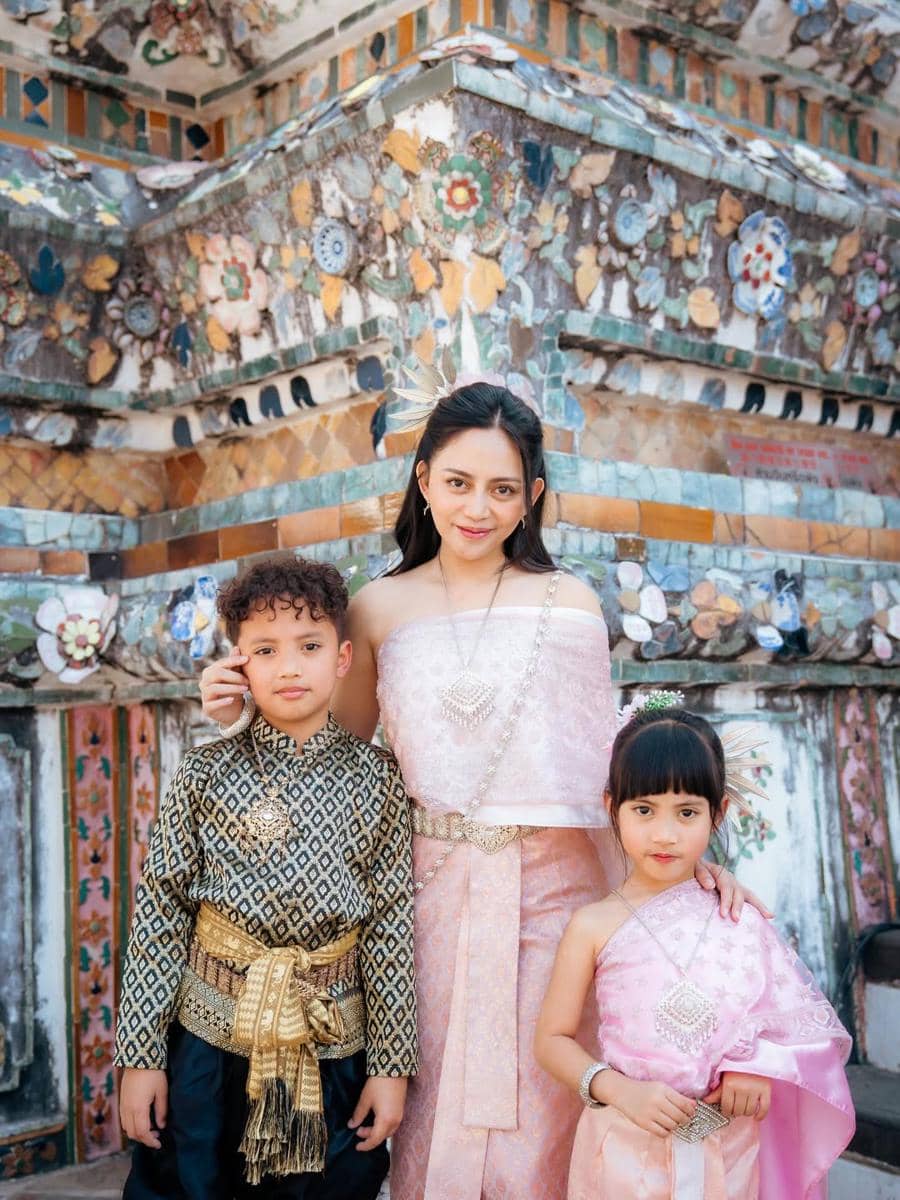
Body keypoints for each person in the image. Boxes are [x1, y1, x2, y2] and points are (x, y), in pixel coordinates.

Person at [201, 378, 766, 1200]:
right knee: (434, 1116)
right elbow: (335, 760)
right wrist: (238, 710)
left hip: (559, 899)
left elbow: (605, 773)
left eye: (503, 489)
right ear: (423, 479)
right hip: (429, 902)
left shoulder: (569, 602)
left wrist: (682, 870)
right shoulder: (377, 608)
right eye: (458, 483)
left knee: (547, 1117)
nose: (478, 507)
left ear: (531, 496)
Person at [116, 556, 418, 1200]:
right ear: (237, 664)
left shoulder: (378, 778)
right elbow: (159, 916)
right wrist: (140, 1055)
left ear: (341, 658)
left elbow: (392, 927)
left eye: (309, 646)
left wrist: (391, 1067)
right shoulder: (204, 772)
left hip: (331, 1042)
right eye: (265, 649)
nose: (288, 667)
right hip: (208, 1045)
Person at [534, 701, 854, 1200]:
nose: (665, 834)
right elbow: (552, 1040)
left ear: (718, 811)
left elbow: (797, 1028)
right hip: (622, 1144)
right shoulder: (593, 924)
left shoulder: (740, 917)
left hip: (730, 1152)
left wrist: (758, 1067)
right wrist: (620, 1091)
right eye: (643, 810)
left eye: (686, 812)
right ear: (610, 807)